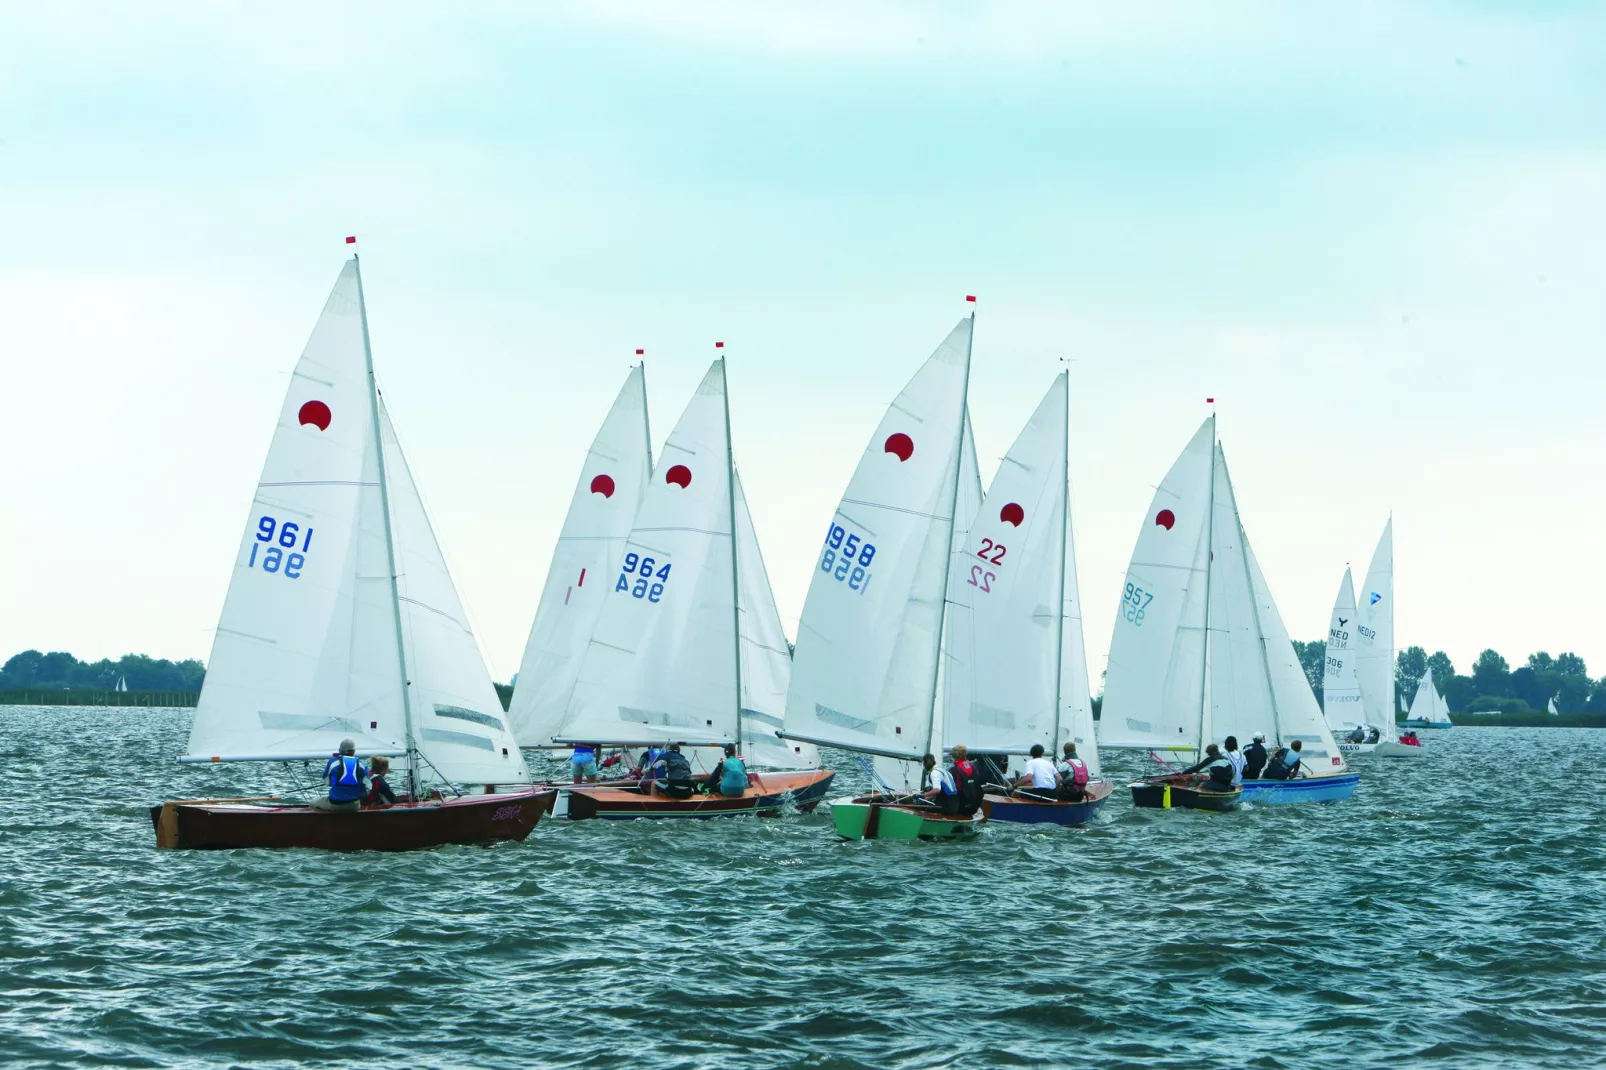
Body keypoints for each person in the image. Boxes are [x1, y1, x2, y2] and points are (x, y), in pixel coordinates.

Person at [314, 738, 368, 811]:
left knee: (312, 804)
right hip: (354, 805)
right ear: (354, 751)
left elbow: (327, 782)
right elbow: (367, 785)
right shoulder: (362, 765)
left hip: (335, 803)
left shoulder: (333, 762)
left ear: (340, 750)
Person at [948, 744, 983, 816]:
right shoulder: (974, 767)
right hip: (974, 804)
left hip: (960, 805)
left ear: (954, 756)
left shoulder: (954, 770)